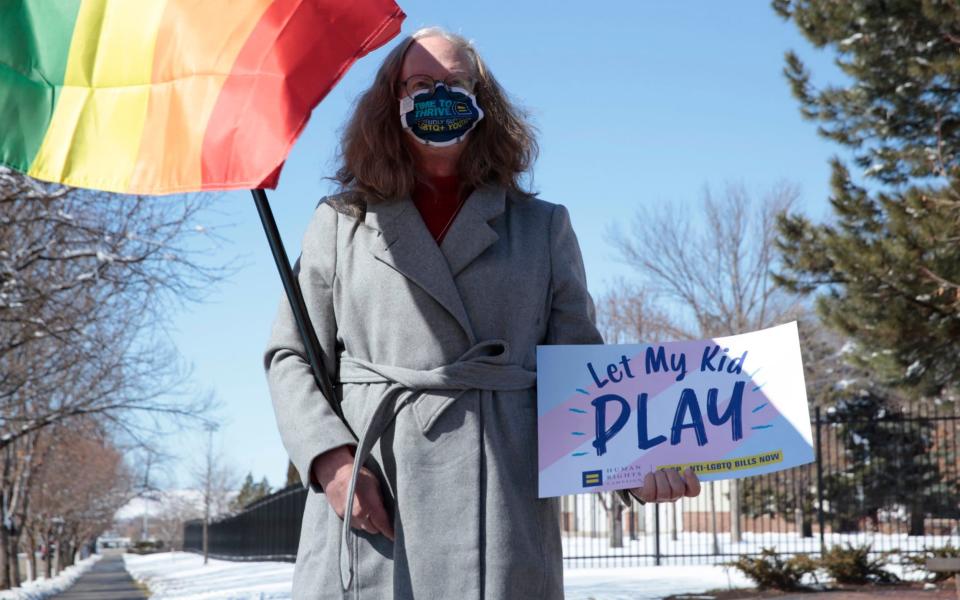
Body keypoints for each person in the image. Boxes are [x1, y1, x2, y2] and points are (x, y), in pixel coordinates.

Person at [263, 25, 702, 600]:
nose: (439, 96)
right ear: (392, 101)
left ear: (481, 101)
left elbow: (582, 377)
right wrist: (333, 466)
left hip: (503, 513)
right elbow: (291, 355)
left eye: (456, 83)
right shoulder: (340, 222)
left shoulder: (543, 228)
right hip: (376, 499)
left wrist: (636, 467)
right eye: (420, 83)